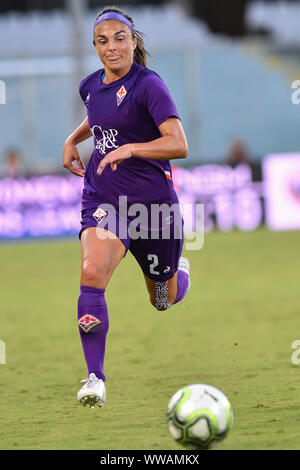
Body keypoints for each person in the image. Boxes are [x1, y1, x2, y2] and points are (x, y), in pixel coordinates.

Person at [62, 6, 191, 408]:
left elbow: (178, 143)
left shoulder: (150, 85)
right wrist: (72, 140)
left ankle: (179, 274)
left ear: (133, 41)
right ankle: (95, 379)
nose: (112, 47)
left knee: (162, 300)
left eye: (120, 38)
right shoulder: (90, 85)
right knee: (91, 270)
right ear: (95, 47)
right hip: (103, 196)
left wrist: (133, 148)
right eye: (103, 41)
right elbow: (98, 116)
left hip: (152, 208)